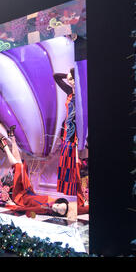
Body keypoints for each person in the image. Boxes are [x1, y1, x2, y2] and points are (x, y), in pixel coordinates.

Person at [0, 128, 69, 217]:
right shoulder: (53, 201)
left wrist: (13, 206)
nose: (55, 206)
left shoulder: (44, 209)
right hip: (28, 190)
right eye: (58, 205)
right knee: (21, 165)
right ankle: (11, 139)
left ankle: (6, 146)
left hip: (21, 197)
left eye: (57, 209)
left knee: (18, 166)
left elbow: (28, 209)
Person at [53, 69, 85, 206]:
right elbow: (56, 77)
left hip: (76, 135)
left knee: (75, 167)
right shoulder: (69, 92)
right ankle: (75, 197)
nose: (70, 81)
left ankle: (80, 198)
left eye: (73, 79)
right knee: (69, 167)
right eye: (70, 79)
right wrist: (68, 75)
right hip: (67, 134)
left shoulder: (82, 93)